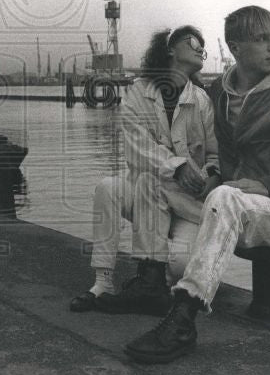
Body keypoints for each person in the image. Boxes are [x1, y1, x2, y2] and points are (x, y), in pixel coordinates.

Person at [123, 6, 270, 363]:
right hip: (233, 205)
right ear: (235, 48)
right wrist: (205, 173)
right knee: (152, 179)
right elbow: (210, 148)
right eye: (260, 39)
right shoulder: (217, 94)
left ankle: (183, 320)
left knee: (227, 197)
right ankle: (149, 279)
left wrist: (269, 185)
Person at [69, 25, 220, 315]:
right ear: (170, 49)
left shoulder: (201, 101)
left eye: (204, 45)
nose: (201, 47)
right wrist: (176, 167)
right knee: (108, 188)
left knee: (180, 266)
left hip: (187, 201)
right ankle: (103, 282)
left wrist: (212, 175)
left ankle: (154, 282)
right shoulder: (138, 92)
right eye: (193, 42)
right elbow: (136, 143)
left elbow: (215, 152)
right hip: (148, 193)